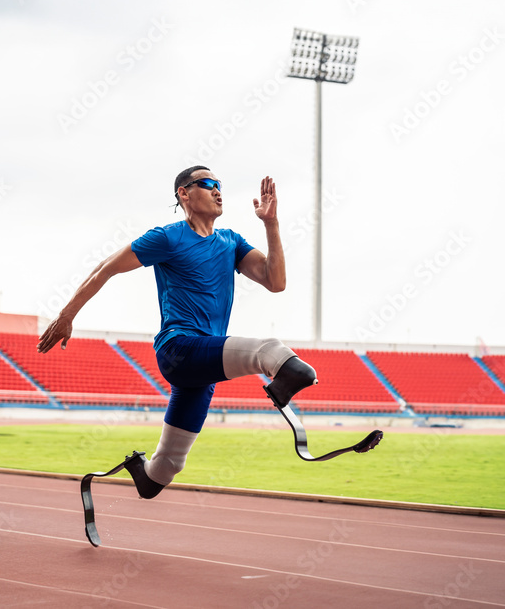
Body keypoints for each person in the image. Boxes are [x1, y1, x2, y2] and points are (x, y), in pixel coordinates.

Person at [37, 166, 320, 498]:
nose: (218, 190)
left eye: (220, 185)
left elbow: (276, 282)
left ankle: (140, 469)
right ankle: (281, 382)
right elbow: (106, 268)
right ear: (184, 193)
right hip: (180, 349)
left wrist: (270, 224)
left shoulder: (231, 242)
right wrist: (67, 315)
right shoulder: (167, 237)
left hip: (202, 368)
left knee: (165, 469)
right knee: (272, 353)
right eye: (208, 184)